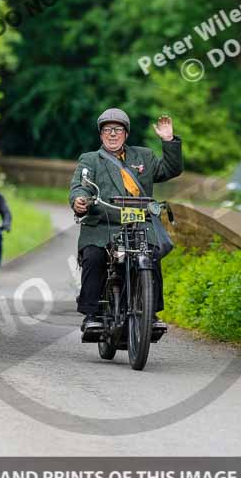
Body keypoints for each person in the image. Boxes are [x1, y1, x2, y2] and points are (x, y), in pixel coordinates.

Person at [69, 108, 183, 333]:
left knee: (151, 254)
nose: (112, 134)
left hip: (139, 223)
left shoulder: (144, 157)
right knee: (94, 256)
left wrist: (169, 140)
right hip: (103, 224)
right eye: (107, 130)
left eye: (118, 129)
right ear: (101, 134)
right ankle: (93, 314)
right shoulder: (90, 160)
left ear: (126, 134)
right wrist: (79, 200)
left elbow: (171, 169)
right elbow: (79, 186)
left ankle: (151, 312)